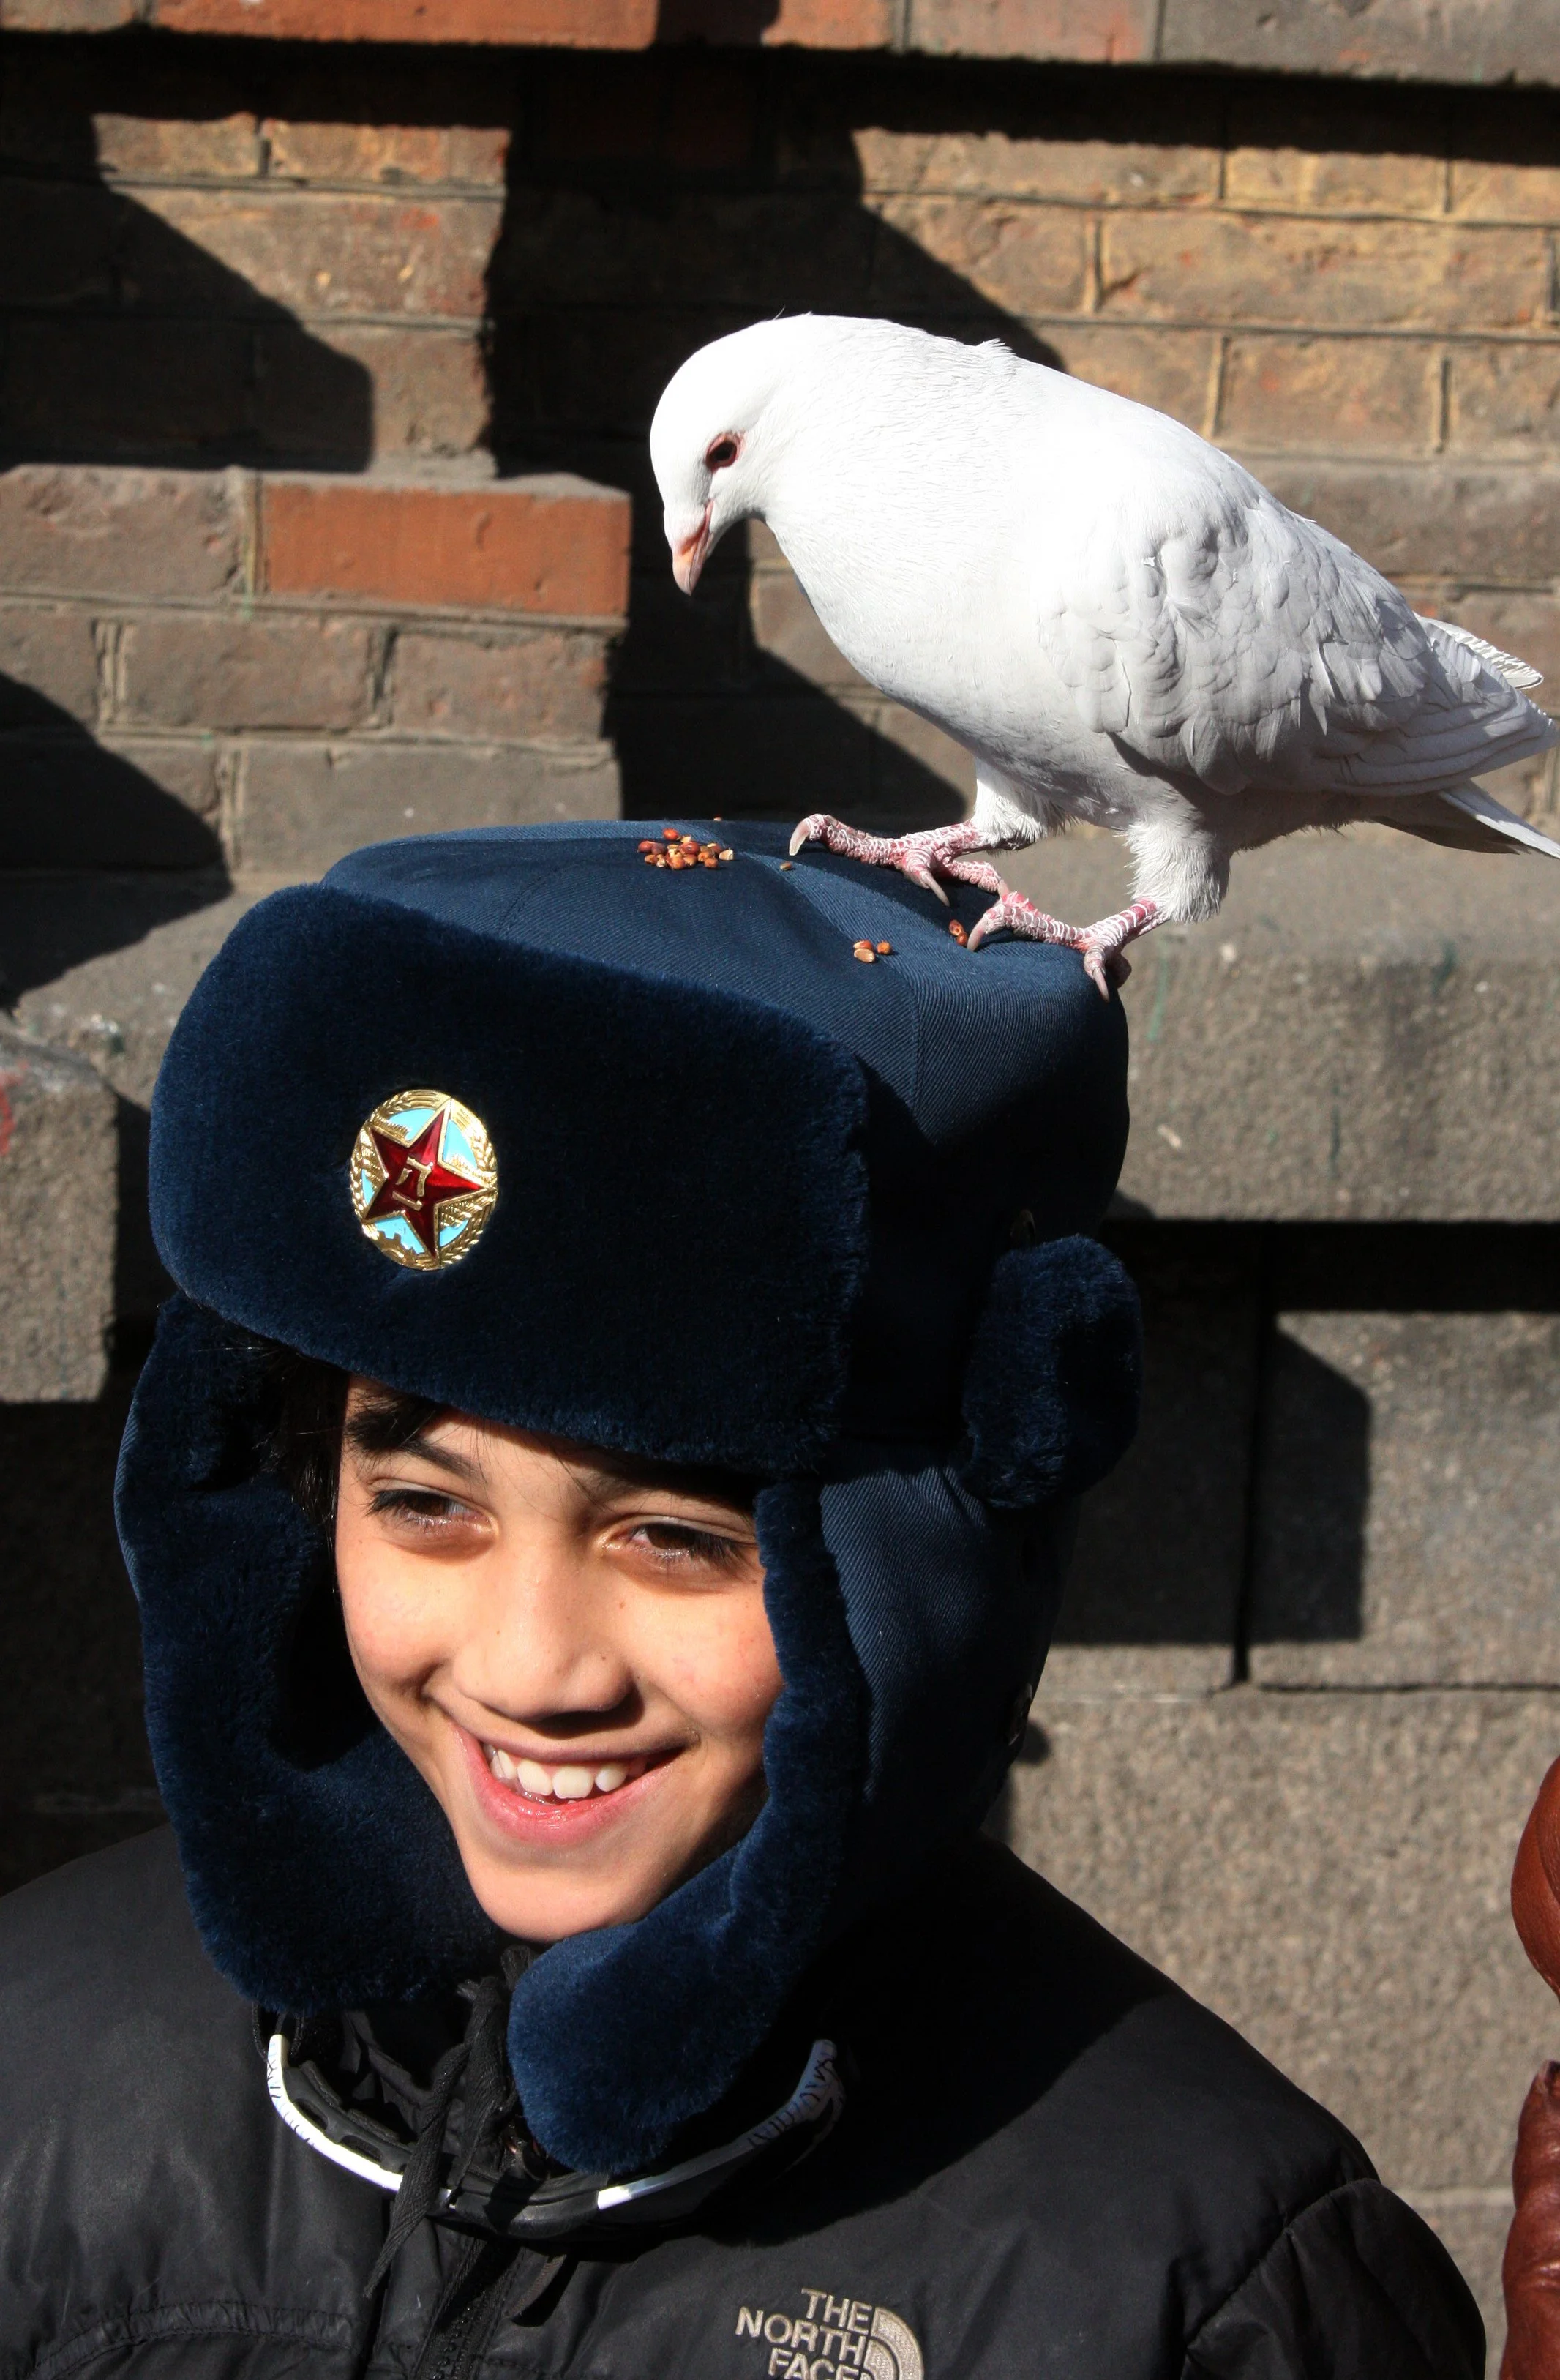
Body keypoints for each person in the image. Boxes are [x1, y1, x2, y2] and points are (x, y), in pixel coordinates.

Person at [0, 819, 1482, 2379]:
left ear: (923, 1570)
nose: (528, 1668)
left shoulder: (1200, 2293)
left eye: (676, 1541)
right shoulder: (39, 2070)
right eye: (425, 1506)